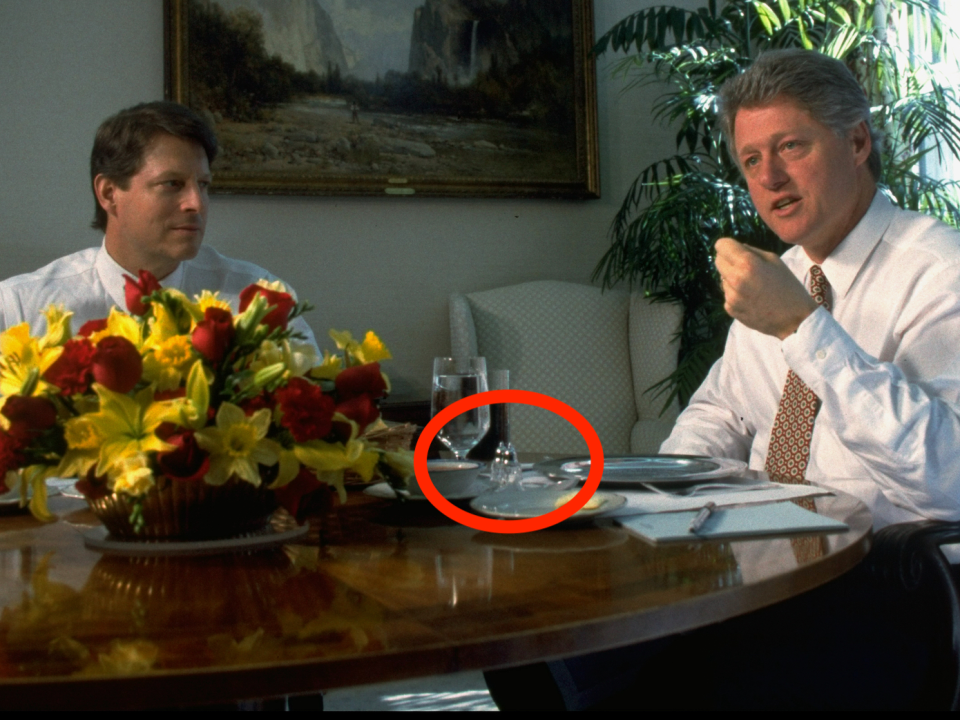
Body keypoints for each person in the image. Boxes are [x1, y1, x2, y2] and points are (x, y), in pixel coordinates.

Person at [486, 48, 960, 710]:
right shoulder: (782, 273)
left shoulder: (939, 271)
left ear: (856, 141)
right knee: (523, 642)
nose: (770, 178)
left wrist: (803, 327)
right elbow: (720, 417)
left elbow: (949, 478)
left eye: (790, 147)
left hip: (884, 592)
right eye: (751, 160)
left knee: (672, 685)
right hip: (753, 571)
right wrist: (655, 509)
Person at [0, 101, 318, 350]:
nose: (196, 203)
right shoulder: (21, 311)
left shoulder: (258, 299)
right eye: (172, 184)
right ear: (109, 193)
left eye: (204, 184)